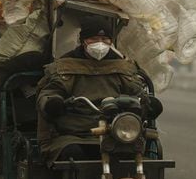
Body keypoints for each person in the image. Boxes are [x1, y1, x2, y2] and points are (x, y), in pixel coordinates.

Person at [36, 15, 145, 166]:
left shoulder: (121, 67)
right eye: (94, 39)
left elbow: (137, 91)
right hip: (73, 133)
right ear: (83, 41)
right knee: (73, 155)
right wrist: (53, 103)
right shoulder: (65, 65)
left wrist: (147, 103)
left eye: (105, 39)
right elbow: (49, 92)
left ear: (111, 42)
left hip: (114, 131)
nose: (100, 44)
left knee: (132, 155)